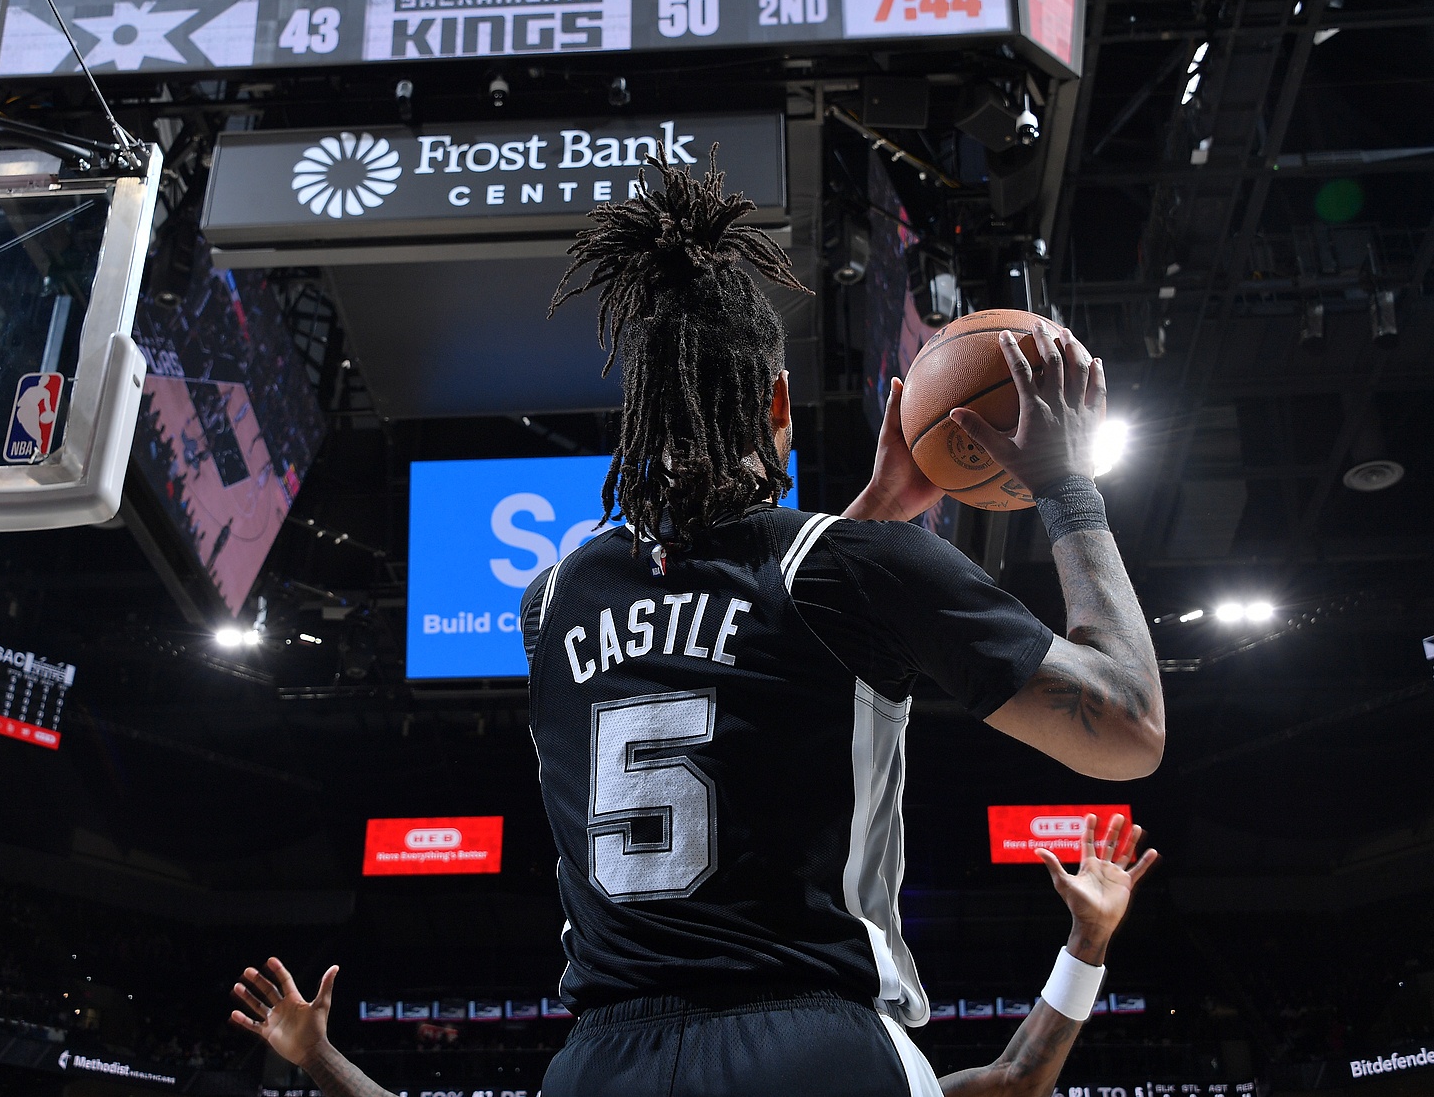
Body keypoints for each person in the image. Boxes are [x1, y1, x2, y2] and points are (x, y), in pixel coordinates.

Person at [512, 157, 1160, 1094]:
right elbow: (1130, 724)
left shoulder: (548, 603)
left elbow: (740, 622)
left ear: (639, 410)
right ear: (779, 403)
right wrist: (1067, 485)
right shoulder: (856, 570)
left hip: (597, 1067)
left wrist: (872, 515)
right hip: (811, 1047)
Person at [229, 813, 1158, 1097]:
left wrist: (318, 1059)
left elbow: (1015, 1079)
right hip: (795, 1025)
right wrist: (1086, 942)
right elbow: (1017, 1078)